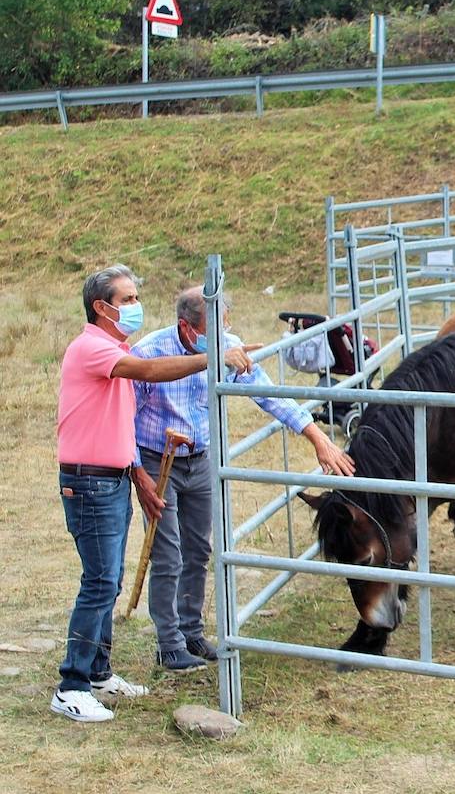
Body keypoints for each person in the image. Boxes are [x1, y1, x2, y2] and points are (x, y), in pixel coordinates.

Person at [54, 265, 255, 723]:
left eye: (133, 297)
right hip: (88, 481)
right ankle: (72, 684)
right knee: (99, 583)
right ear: (100, 307)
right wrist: (213, 357)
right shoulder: (94, 349)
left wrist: (136, 471)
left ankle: (99, 671)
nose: (134, 306)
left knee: (109, 580)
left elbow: (118, 421)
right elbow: (149, 371)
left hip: (109, 476)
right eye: (125, 300)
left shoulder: (112, 346)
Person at [131, 286, 355, 673]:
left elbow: (269, 395)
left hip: (199, 459)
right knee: (168, 554)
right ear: (186, 328)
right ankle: (168, 644)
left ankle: (191, 631)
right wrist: (139, 475)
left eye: (224, 329)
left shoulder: (229, 347)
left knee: (200, 549)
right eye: (210, 332)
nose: (220, 339)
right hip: (157, 460)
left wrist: (316, 436)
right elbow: (124, 416)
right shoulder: (149, 353)